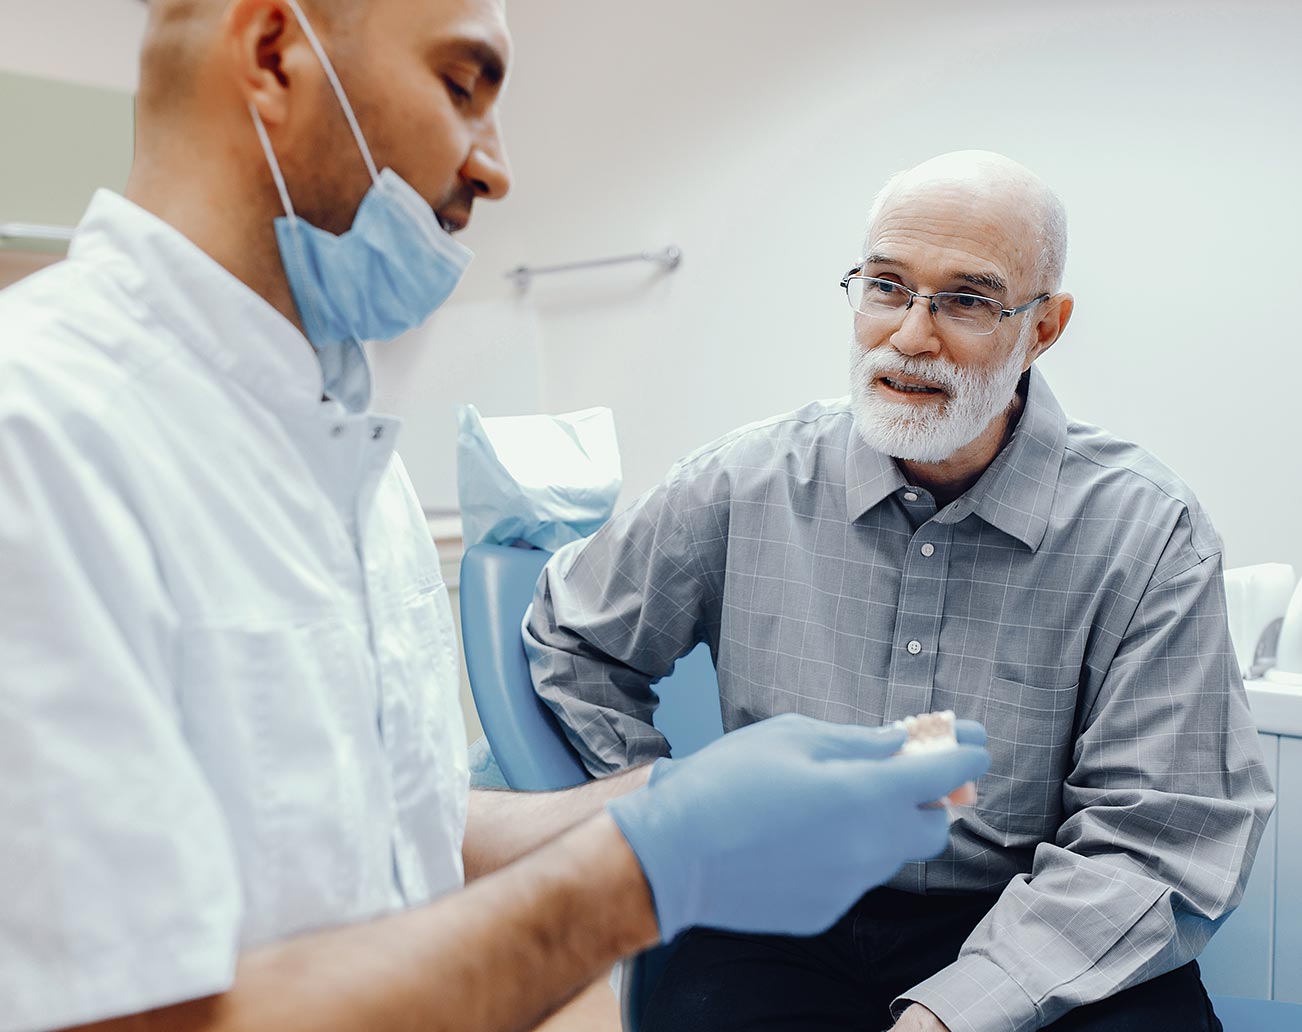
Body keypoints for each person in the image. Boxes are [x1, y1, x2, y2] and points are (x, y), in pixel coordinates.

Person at [0, 3, 992, 1031]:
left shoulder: (338, 445)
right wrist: (644, 873)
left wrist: (669, 803)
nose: (497, 168)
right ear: (271, 53)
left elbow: (387, 837)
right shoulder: (39, 438)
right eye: (463, 84)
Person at [525, 151, 1276, 1031]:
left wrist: (951, 1015)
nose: (910, 336)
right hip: (779, 916)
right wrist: (675, 815)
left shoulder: (1147, 532)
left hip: (1036, 910)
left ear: (1044, 327)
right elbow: (574, 641)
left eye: (966, 300)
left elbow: (1161, 834)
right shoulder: (744, 481)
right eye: (886, 286)